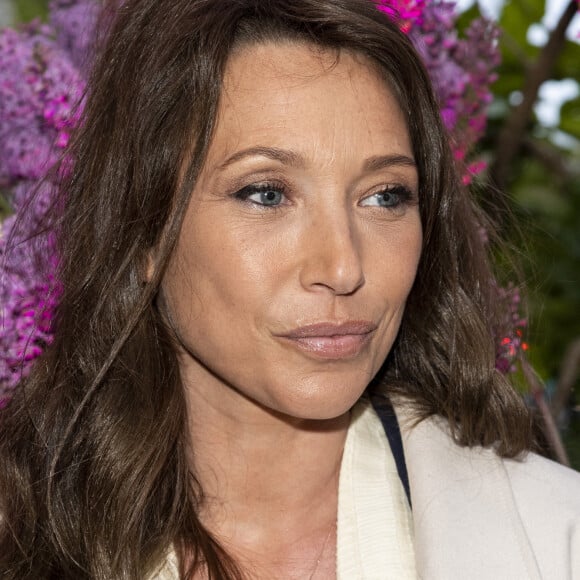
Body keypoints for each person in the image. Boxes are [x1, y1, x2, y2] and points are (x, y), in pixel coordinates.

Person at [1, 0, 579, 578]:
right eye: (267, 194)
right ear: (145, 231)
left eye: (385, 196)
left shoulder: (556, 537)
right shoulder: (20, 535)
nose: (344, 266)